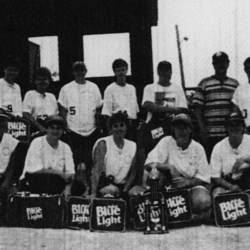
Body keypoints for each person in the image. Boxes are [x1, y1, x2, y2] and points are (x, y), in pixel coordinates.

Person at [144, 113, 211, 215]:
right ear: (173, 130)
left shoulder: (198, 148)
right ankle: (159, 211)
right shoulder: (166, 141)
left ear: (190, 129)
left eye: (184, 128)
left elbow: (204, 178)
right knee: (155, 174)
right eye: (178, 128)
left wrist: (187, 182)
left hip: (190, 186)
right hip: (167, 185)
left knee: (203, 202)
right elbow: (148, 164)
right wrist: (169, 167)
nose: (181, 131)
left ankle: (185, 213)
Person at [58, 61, 103, 186]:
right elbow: (62, 109)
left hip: (91, 131)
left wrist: (99, 128)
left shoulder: (93, 87)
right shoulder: (66, 88)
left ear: (86, 71)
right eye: (77, 70)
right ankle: (74, 189)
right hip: (73, 131)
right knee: (74, 162)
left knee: (90, 162)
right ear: (73, 72)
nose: (79, 72)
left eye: (82, 70)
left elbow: (99, 108)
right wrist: (64, 127)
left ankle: (90, 189)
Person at [20, 115, 84, 199]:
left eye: (58, 128)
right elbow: (35, 170)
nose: (55, 131)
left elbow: (71, 174)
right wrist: (60, 173)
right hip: (34, 180)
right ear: (47, 129)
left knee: (79, 186)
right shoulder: (37, 142)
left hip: (56, 181)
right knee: (50, 180)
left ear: (62, 131)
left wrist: (68, 188)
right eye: (52, 128)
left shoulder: (66, 147)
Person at [192, 52, 239, 161]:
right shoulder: (204, 83)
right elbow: (197, 109)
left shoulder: (235, 84)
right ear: (213, 64)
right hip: (209, 135)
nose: (220, 65)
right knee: (209, 164)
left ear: (228, 63)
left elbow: (237, 108)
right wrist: (202, 130)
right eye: (217, 63)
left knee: (228, 163)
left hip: (228, 135)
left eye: (223, 62)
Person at [89, 111, 141, 200]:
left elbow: (133, 173)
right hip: (104, 185)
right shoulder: (103, 143)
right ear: (111, 129)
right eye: (115, 126)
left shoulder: (133, 145)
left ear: (126, 127)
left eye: (122, 125)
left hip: (122, 186)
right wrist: (93, 193)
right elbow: (96, 170)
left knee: (138, 193)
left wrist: (125, 190)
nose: (119, 128)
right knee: (111, 191)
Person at [211, 112, 250, 197]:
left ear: (243, 127)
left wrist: (244, 159)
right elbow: (215, 176)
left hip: (247, 180)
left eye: (237, 125)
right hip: (226, 182)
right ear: (226, 128)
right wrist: (231, 186)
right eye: (231, 125)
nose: (235, 128)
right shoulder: (218, 147)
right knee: (217, 194)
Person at [23, 67, 58, 135]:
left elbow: (55, 116)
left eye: (45, 79)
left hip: (51, 132)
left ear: (49, 81)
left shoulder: (52, 97)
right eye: (39, 79)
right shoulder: (30, 94)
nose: (42, 82)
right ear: (34, 81)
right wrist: (40, 127)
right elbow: (25, 114)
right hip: (35, 132)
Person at [0, 109, 19, 219]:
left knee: (8, 192)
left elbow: (12, 166)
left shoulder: (10, 140)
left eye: (3, 121)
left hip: (4, 176)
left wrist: (6, 182)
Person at [232, 57, 250, 132]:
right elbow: (235, 111)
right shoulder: (240, 89)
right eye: (248, 68)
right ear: (245, 70)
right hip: (246, 129)